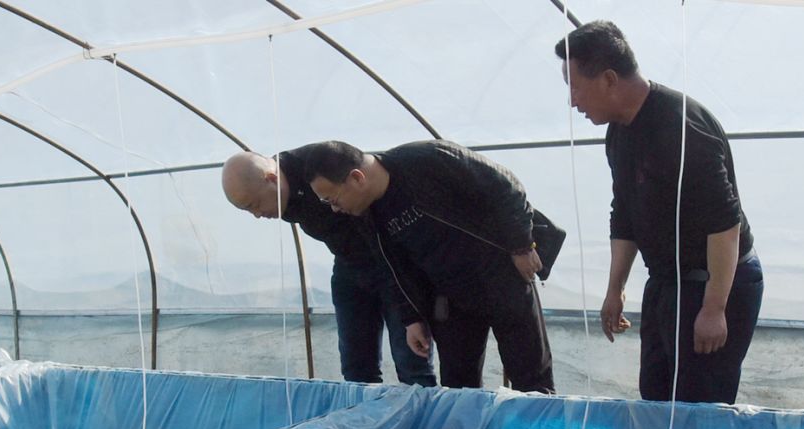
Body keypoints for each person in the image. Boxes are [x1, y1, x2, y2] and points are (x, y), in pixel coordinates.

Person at [555, 20, 763, 404]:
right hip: (667, 281)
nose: (572, 101)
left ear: (608, 79)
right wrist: (614, 289)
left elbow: (725, 226)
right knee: (656, 396)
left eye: (575, 86)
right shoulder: (618, 132)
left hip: (716, 280)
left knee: (698, 405)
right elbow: (625, 214)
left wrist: (715, 308)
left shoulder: (681, 127)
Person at [304, 139, 555, 393]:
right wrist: (412, 318)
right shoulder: (368, 215)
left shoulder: (426, 159)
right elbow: (393, 269)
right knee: (458, 389)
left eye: (332, 199)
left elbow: (505, 186)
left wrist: (521, 245)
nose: (335, 209)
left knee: (532, 379)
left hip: (502, 278)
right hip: (450, 298)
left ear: (357, 178)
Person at [221, 148, 436, 386]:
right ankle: (363, 419)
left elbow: (380, 232)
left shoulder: (319, 168)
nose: (257, 214)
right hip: (349, 267)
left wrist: (411, 312)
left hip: (392, 263)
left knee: (413, 364)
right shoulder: (280, 195)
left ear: (271, 178)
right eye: (248, 210)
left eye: (255, 204)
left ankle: (427, 419)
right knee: (356, 370)